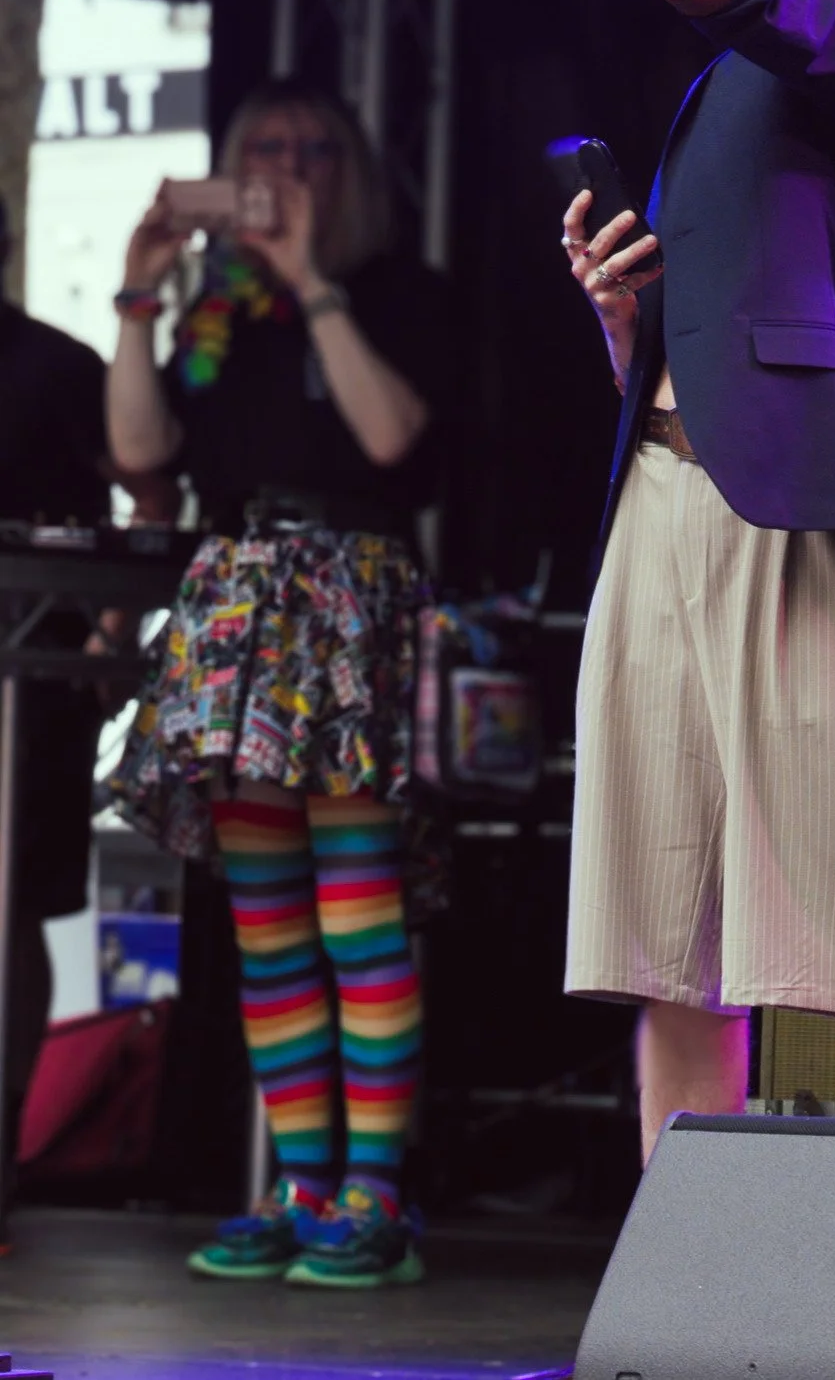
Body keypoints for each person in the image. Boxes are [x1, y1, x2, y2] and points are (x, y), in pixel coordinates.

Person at [458, 0, 835, 1161]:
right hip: (667, 496)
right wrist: (627, 319)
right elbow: (707, 348)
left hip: (812, 510)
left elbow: (765, 2)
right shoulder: (721, 91)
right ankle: (684, 1316)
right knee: (661, 935)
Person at [106, 79, 449, 1285]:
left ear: (349, 170)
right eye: (264, 150)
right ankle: (305, 1189)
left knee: (359, 917)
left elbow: (396, 439)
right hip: (236, 609)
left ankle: (376, 1197)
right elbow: (143, 456)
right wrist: (142, 290)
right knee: (268, 933)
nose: (288, 168)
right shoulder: (216, 313)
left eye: (313, 149)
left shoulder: (397, 292)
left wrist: (314, 284)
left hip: (345, 598)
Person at [0, 193, 122, 1244]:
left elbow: (118, 515)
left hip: (31, 687)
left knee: (18, 906)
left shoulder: (57, 364)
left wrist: (110, 643)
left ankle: (4, 1143)